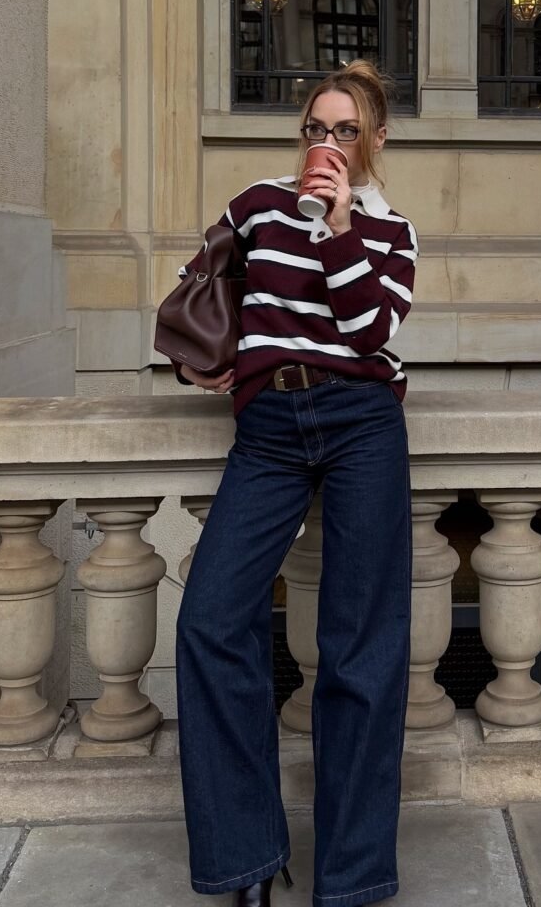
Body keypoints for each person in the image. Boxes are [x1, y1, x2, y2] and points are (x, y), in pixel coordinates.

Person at [174, 60, 418, 907]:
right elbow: (196, 290)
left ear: (375, 142)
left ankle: (349, 881)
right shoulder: (254, 203)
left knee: (360, 650)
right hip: (268, 430)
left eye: (345, 131)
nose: (326, 144)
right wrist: (204, 358)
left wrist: (338, 223)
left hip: (361, 425)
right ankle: (245, 858)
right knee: (209, 620)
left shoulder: (392, 232)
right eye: (316, 129)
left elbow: (372, 327)